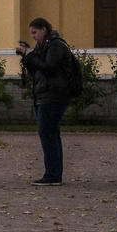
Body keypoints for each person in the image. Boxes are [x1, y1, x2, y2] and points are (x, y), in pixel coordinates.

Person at [15, 17, 72, 186]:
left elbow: (49, 68)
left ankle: (52, 175)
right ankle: (54, 174)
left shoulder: (55, 45)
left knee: (48, 134)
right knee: (51, 134)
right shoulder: (45, 46)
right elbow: (38, 70)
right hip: (45, 95)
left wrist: (29, 54)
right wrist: (27, 56)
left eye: (35, 32)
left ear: (44, 30)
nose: (33, 36)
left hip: (53, 96)